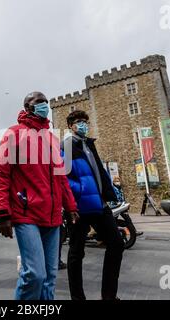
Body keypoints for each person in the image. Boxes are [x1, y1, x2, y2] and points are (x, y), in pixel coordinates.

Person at [0, 91, 78, 300]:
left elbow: (61, 177)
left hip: (52, 216)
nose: (45, 105)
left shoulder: (51, 138)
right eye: (39, 102)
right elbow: (0, 174)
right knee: (35, 275)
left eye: (47, 102)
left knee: (50, 277)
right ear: (27, 107)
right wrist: (2, 213)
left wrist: (71, 206)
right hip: (26, 213)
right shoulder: (14, 134)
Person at [61, 110, 124, 300]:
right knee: (76, 252)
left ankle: (109, 296)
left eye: (86, 121)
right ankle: (78, 298)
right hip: (79, 207)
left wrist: (108, 193)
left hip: (99, 204)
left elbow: (98, 172)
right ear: (71, 125)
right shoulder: (67, 145)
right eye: (79, 121)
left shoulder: (88, 144)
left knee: (116, 243)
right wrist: (79, 193)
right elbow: (62, 177)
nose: (84, 125)